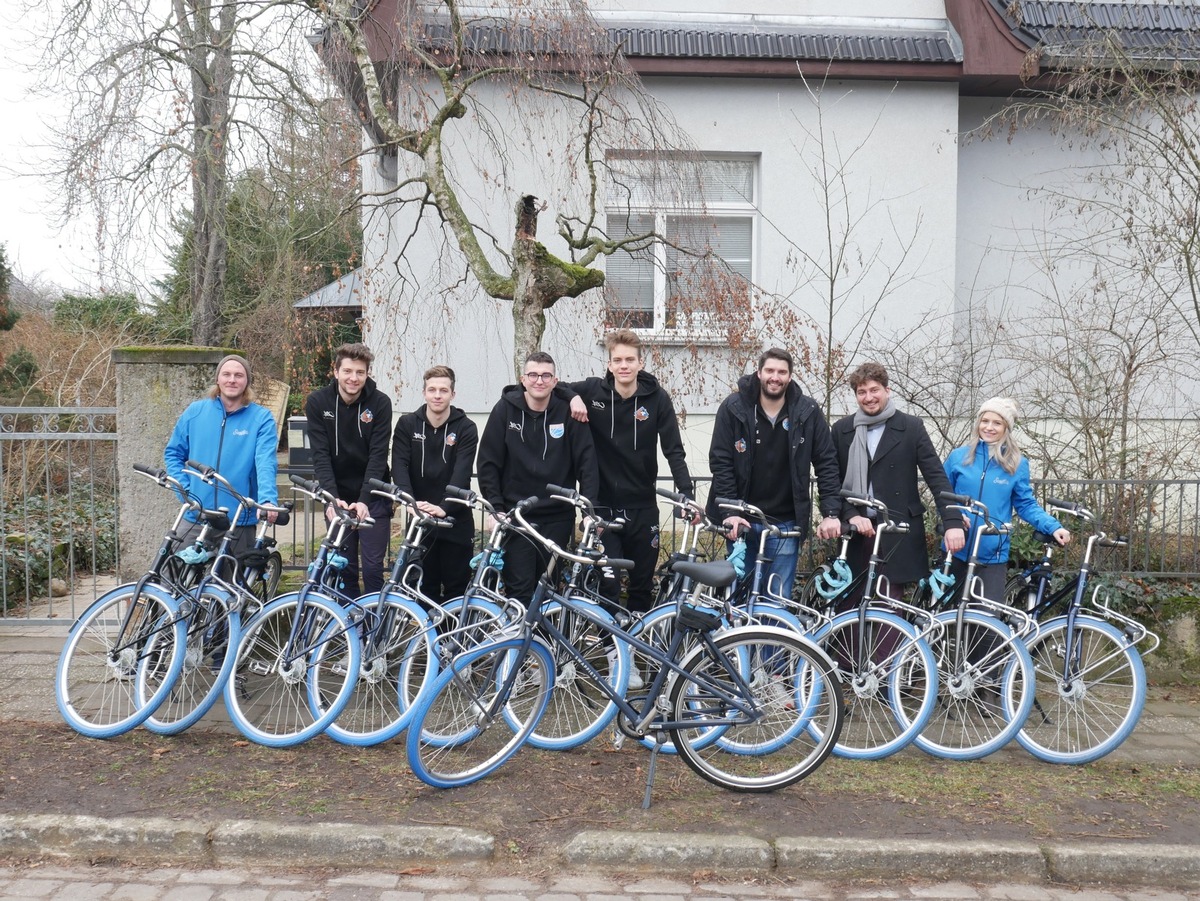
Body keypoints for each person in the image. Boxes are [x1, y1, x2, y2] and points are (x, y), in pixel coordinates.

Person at [565, 329, 695, 615]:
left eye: (629, 359)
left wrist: (687, 493)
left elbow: (674, 450)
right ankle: (611, 650)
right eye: (617, 360)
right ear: (609, 364)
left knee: (641, 585)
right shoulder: (592, 391)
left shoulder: (657, 398)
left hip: (642, 507)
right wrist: (573, 398)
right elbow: (556, 387)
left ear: (640, 362)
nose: (624, 365)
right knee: (608, 587)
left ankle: (635, 650)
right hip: (602, 508)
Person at [707, 348, 843, 599]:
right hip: (742, 522)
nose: (775, 377)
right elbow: (720, 461)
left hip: (785, 525)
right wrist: (730, 513)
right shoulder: (733, 408)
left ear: (790, 377)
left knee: (776, 603)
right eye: (770, 370)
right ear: (759, 373)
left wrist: (831, 512)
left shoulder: (808, 411)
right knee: (738, 599)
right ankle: (739, 641)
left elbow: (826, 462)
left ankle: (772, 641)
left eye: (782, 372)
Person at [831, 362, 965, 597]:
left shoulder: (911, 427)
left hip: (896, 528)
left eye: (874, 390)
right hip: (856, 530)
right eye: (862, 392)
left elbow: (936, 477)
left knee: (890, 605)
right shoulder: (843, 429)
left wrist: (952, 522)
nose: (869, 397)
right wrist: (851, 514)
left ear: (887, 390)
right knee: (849, 603)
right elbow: (833, 482)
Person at [476, 351, 599, 602]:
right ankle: (519, 642)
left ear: (556, 381)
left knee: (549, 592)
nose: (539, 381)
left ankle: (543, 642)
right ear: (523, 379)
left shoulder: (569, 413)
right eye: (533, 375)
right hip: (517, 516)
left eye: (546, 375)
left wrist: (589, 513)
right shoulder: (505, 410)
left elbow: (587, 465)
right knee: (519, 591)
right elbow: (488, 463)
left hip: (558, 517)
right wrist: (496, 508)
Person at [943, 396, 1070, 601]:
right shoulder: (958, 457)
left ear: (1006, 428)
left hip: (992, 552)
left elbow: (1026, 504)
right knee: (949, 620)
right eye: (985, 421)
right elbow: (942, 494)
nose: (989, 427)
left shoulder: (1017, 464)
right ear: (978, 423)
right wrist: (954, 517)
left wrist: (1053, 527)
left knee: (987, 625)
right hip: (956, 548)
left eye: (997, 423)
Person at [164, 353, 279, 557]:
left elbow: (265, 462)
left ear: (247, 382)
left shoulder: (261, 418)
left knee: (230, 585)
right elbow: (173, 453)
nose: (232, 380)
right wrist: (186, 493)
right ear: (218, 379)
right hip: (198, 515)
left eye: (238, 375)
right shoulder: (195, 412)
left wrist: (268, 500)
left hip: (239, 519)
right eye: (226, 374)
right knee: (170, 575)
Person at [304, 343, 393, 597]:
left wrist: (365, 499)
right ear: (336, 371)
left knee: (374, 568)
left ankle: (375, 626)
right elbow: (320, 455)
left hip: (373, 495)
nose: (354, 378)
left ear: (367, 374)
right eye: (348, 371)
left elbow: (378, 455)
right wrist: (332, 498)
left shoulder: (380, 403)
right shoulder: (317, 402)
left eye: (360, 372)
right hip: (338, 494)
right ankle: (349, 628)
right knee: (345, 568)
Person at [391, 365, 479, 604]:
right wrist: (409, 503)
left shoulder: (466, 427)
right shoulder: (407, 425)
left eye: (443, 390)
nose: (437, 395)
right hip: (421, 520)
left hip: (455, 520)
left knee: (457, 590)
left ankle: (454, 640)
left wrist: (444, 507)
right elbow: (399, 465)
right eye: (432, 390)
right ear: (424, 393)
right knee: (424, 588)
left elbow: (462, 473)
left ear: (453, 394)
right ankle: (428, 641)